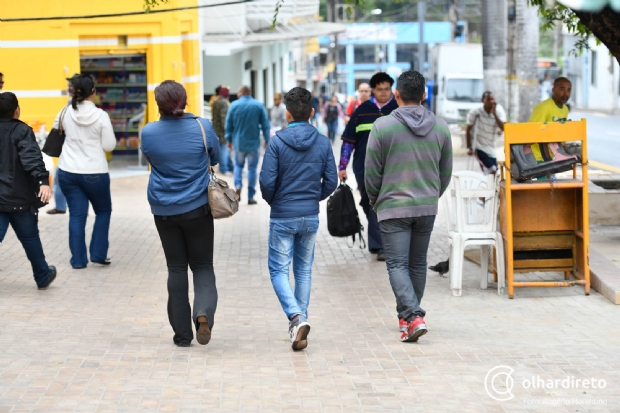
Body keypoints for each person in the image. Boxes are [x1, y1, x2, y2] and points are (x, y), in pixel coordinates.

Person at [364, 70, 453, 342]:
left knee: (397, 265)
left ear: (396, 95)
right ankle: (409, 317)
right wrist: (430, 196)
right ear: (424, 95)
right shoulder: (440, 127)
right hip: (426, 207)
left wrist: (376, 200)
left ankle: (413, 316)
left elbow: (371, 173)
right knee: (417, 264)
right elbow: (445, 172)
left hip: (393, 207)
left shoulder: (382, 127)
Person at [141, 80, 220, 348]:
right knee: (202, 266)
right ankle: (203, 314)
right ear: (185, 100)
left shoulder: (148, 132)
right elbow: (215, 156)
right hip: (197, 208)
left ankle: (182, 335)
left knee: (176, 268)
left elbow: (151, 160)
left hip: (163, 209)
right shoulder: (202, 127)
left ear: (158, 104)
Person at [259, 87, 337, 351]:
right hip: (310, 216)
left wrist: (276, 201)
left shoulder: (277, 142)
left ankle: (296, 318)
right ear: (312, 112)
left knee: (279, 270)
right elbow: (332, 181)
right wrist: (313, 198)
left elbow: (266, 182)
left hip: (283, 214)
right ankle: (299, 327)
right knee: (303, 270)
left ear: (287, 114)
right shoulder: (323, 142)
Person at [54, 74, 116, 269]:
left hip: (67, 171)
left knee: (77, 215)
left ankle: (78, 261)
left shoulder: (65, 112)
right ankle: (98, 254)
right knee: (103, 211)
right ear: (93, 92)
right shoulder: (101, 116)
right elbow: (109, 145)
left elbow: (56, 133)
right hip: (95, 172)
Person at [339, 72, 398, 261]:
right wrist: (342, 166)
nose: (383, 93)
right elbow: (348, 141)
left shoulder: (398, 110)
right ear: (373, 90)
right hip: (363, 167)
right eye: (379, 89)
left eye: (387, 89)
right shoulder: (362, 111)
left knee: (378, 203)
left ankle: (379, 245)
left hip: (391, 167)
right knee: (367, 201)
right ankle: (378, 238)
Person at [0, 92, 57, 290]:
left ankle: (43, 275)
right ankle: (42, 276)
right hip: (20, 198)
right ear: (17, 110)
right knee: (30, 238)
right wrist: (43, 181)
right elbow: (31, 157)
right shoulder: (22, 130)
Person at [225, 85, 270, 205]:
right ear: (250, 93)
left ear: (241, 93)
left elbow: (228, 124)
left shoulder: (234, 105)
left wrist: (228, 140)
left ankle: (238, 185)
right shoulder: (258, 105)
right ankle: (250, 196)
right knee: (252, 169)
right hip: (254, 143)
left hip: (239, 143)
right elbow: (265, 124)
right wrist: (267, 139)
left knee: (238, 166)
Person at [48, 75, 77, 215]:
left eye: (71, 85)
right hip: (69, 151)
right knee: (59, 176)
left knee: (62, 177)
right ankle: (61, 206)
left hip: (73, 152)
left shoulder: (73, 108)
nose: (68, 88)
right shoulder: (70, 105)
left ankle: (64, 206)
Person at [465, 91, 506, 175]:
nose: (491, 101)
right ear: (482, 100)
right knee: (492, 170)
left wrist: (494, 113)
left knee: (495, 174)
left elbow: (504, 128)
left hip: (491, 148)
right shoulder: (476, 112)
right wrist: (469, 147)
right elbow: (468, 129)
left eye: (492, 99)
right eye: (488, 99)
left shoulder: (499, 112)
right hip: (479, 148)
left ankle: (491, 188)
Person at [212, 86, 234, 175]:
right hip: (223, 132)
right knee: (224, 150)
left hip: (216, 129)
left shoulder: (215, 101)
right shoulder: (224, 103)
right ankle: (224, 169)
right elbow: (224, 118)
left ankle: (230, 167)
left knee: (224, 150)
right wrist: (227, 130)